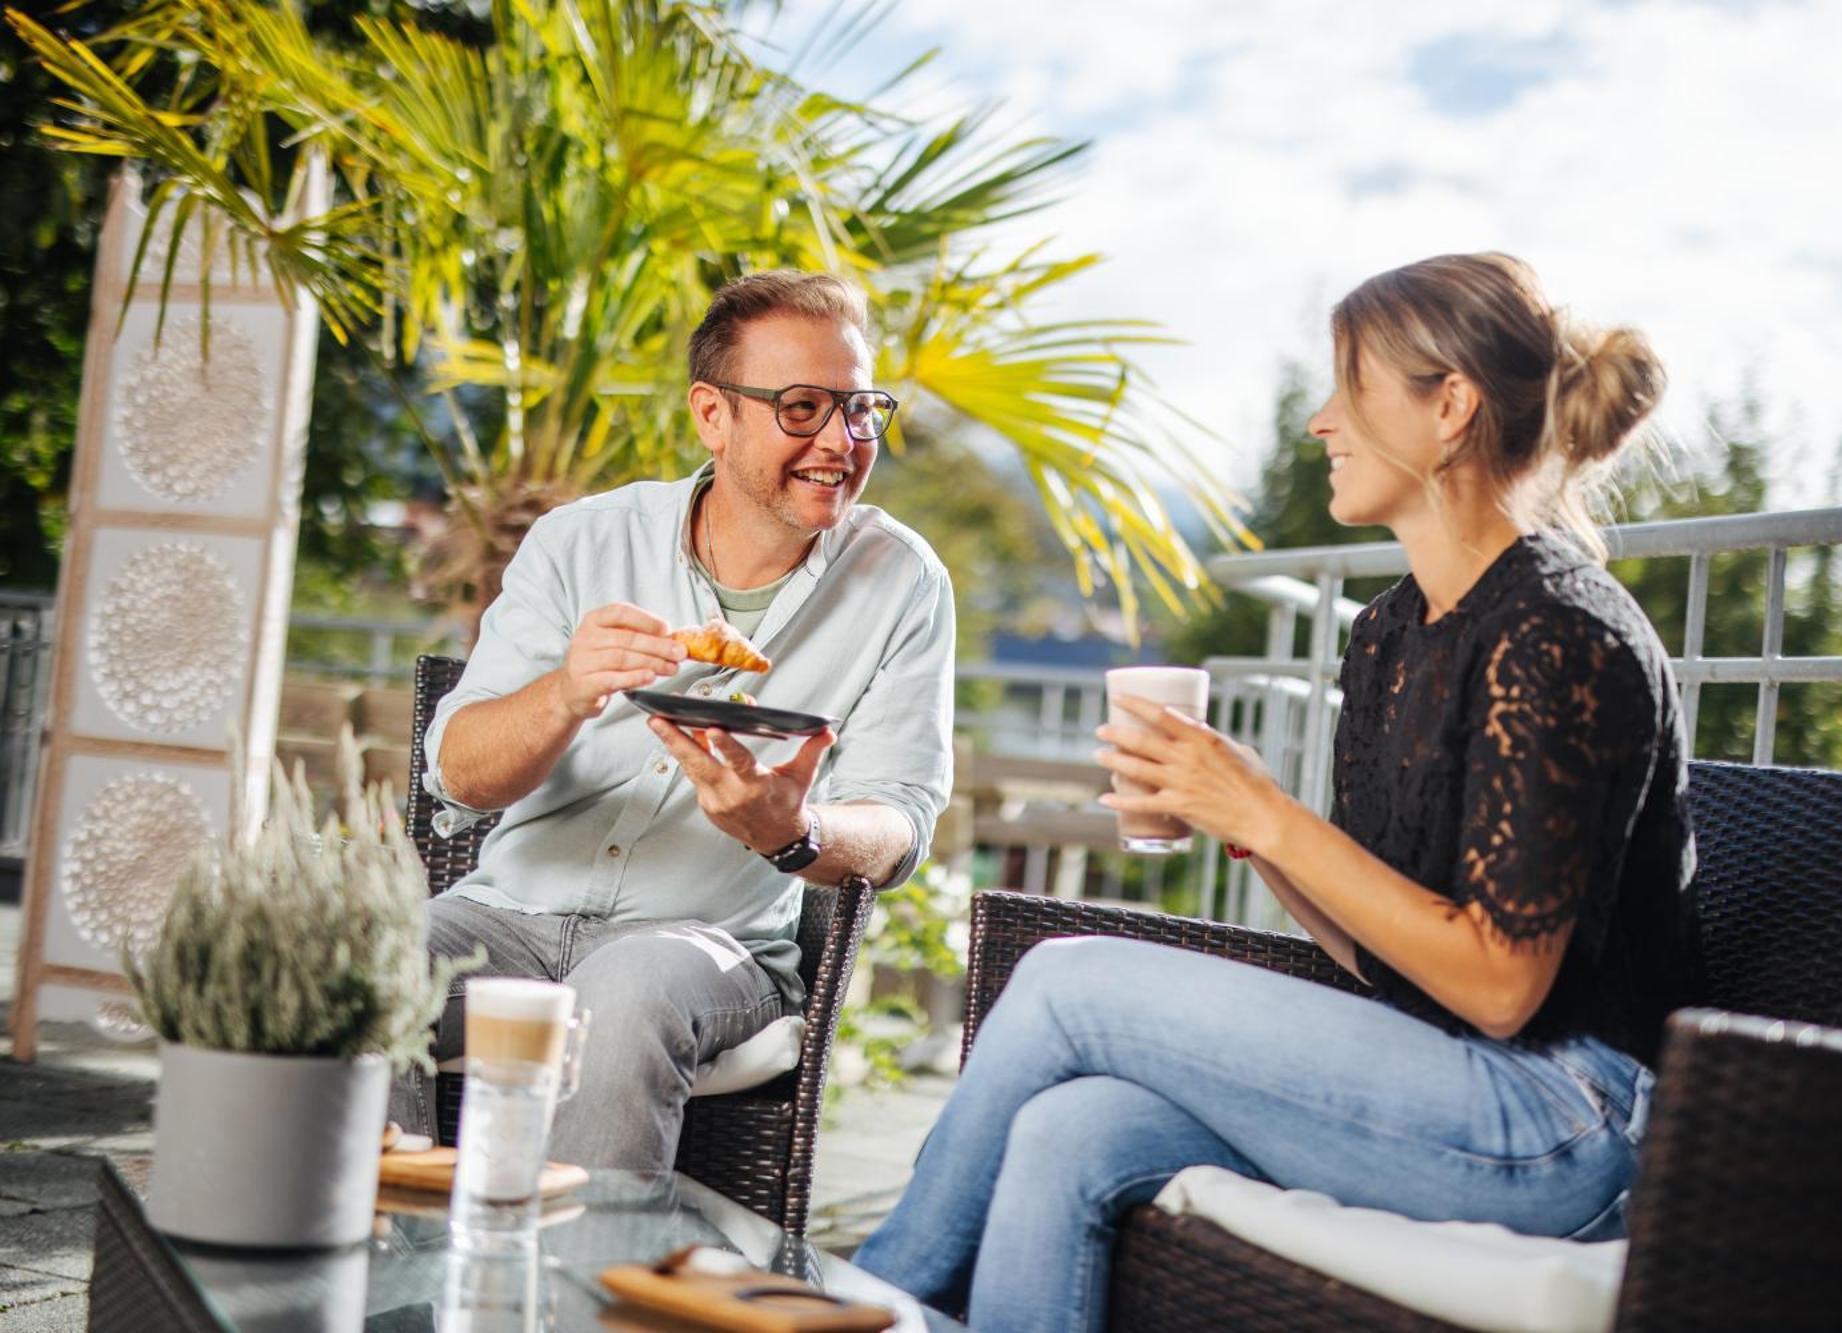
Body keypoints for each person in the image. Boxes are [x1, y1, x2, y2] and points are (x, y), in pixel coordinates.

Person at [855, 252, 1700, 1329]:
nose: (1320, 420)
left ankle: (855, 1302)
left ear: (1449, 406)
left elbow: (1498, 987)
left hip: (1566, 1125)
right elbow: (1386, 957)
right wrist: (1241, 822)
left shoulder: (1559, 631)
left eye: (1349, 387)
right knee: (1072, 1128)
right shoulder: (1391, 637)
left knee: (1067, 980)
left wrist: (1267, 813)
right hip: (1442, 1078)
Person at [389, 271, 955, 1170]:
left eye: (861, 409)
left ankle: (585, 1300)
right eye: (803, 408)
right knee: (358, 959)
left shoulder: (902, 582)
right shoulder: (581, 541)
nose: (841, 441)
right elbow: (458, 772)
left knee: (627, 986)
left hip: (703, 947)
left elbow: (898, 820)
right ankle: (370, 1262)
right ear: (712, 415)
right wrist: (566, 690)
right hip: (506, 915)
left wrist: (794, 830)